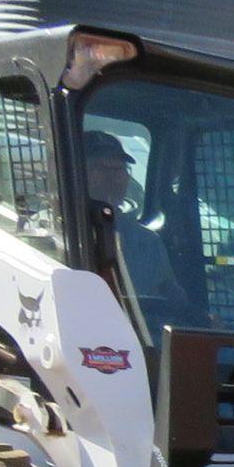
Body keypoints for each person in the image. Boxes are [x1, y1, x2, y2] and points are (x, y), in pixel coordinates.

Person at [82, 130, 177, 333]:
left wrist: (199, 317)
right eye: (101, 168)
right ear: (77, 173)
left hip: (141, 340)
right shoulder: (51, 230)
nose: (113, 178)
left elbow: (173, 300)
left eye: (119, 169)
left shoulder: (147, 242)